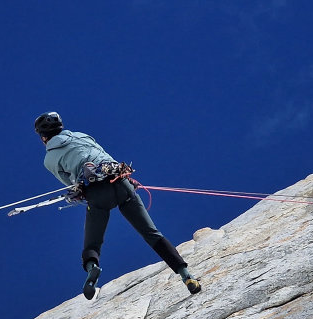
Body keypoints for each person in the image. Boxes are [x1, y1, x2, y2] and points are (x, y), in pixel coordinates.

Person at [35, 111, 201, 300]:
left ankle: (92, 270)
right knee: (152, 234)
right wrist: (128, 182)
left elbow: (70, 184)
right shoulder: (82, 136)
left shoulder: (49, 160)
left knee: (92, 243)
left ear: (43, 137)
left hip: (97, 194)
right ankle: (186, 276)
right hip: (120, 182)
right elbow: (104, 155)